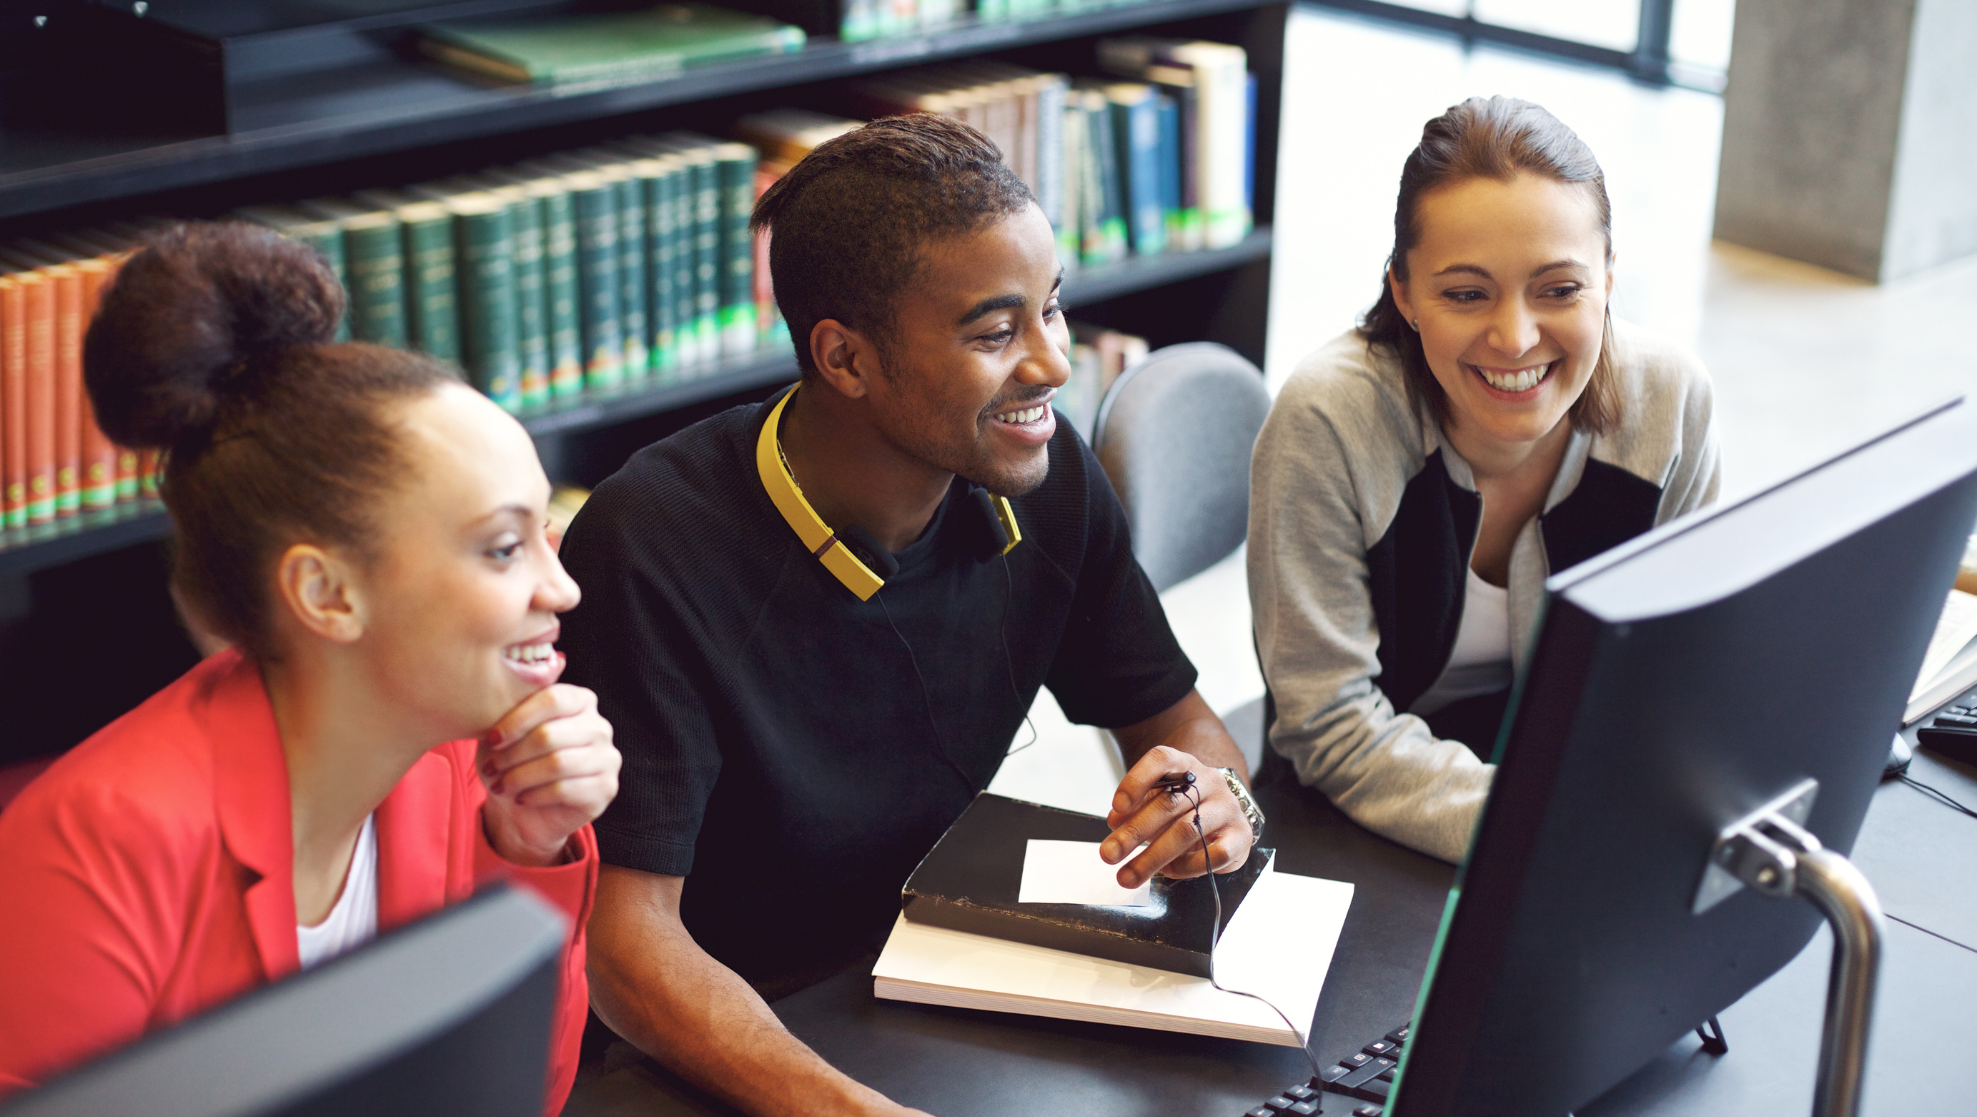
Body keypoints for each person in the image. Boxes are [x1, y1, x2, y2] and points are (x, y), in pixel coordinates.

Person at [558, 114, 1263, 1117]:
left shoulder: (1045, 479)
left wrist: (1215, 797)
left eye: (1053, 311)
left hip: (919, 981)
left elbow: (1179, 721)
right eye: (994, 332)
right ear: (845, 359)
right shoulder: (651, 543)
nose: (1054, 365)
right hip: (710, 1043)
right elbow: (627, 948)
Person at [0, 224, 621, 1112]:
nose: (560, 587)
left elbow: (514, 1098)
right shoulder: (92, 847)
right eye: (501, 547)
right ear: (326, 593)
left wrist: (527, 848)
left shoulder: (456, 774)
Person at [1248, 97, 1720, 864]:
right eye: (1466, 293)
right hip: (1355, 819)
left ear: (1606, 277)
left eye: (1558, 289)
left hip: (1574, 793)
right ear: (1402, 291)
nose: (1515, 338)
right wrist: (1551, 824)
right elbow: (1327, 726)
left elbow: (1681, 667)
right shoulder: (1328, 418)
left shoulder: (1669, 403)